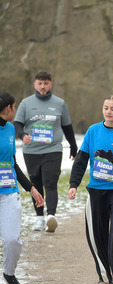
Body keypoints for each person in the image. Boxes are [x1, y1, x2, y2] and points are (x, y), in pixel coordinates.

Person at [68, 95, 113, 284]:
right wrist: (73, 184)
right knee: (98, 233)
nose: (108, 112)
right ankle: (105, 275)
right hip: (97, 189)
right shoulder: (93, 130)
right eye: (106, 108)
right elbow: (81, 160)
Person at [14, 71, 78, 233]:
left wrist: (73, 146)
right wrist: (22, 135)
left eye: (46, 83)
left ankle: (51, 216)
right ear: (35, 85)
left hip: (53, 150)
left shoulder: (60, 103)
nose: (43, 86)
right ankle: (39, 218)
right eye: (40, 83)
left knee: (50, 182)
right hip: (31, 151)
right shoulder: (26, 103)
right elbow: (17, 124)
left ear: (51, 84)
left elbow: (67, 127)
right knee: (35, 184)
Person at [0, 92, 44, 284]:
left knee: (12, 241)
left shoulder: (10, 129)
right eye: (15, 107)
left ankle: (9, 274)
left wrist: (31, 188)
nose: (15, 111)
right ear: (9, 108)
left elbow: (12, 163)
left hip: (9, 192)